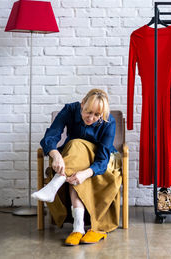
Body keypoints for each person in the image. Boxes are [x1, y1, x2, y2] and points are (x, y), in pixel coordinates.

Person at [31, 88, 122, 246]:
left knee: (76, 144)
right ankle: (78, 228)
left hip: (99, 161)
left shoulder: (109, 122)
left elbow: (102, 158)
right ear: (82, 104)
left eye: (96, 115)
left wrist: (86, 173)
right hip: (74, 159)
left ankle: (56, 184)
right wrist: (56, 155)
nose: (91, 118)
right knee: (74, 148)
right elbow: (51, 135)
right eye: (88, 112)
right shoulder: (70, 110)